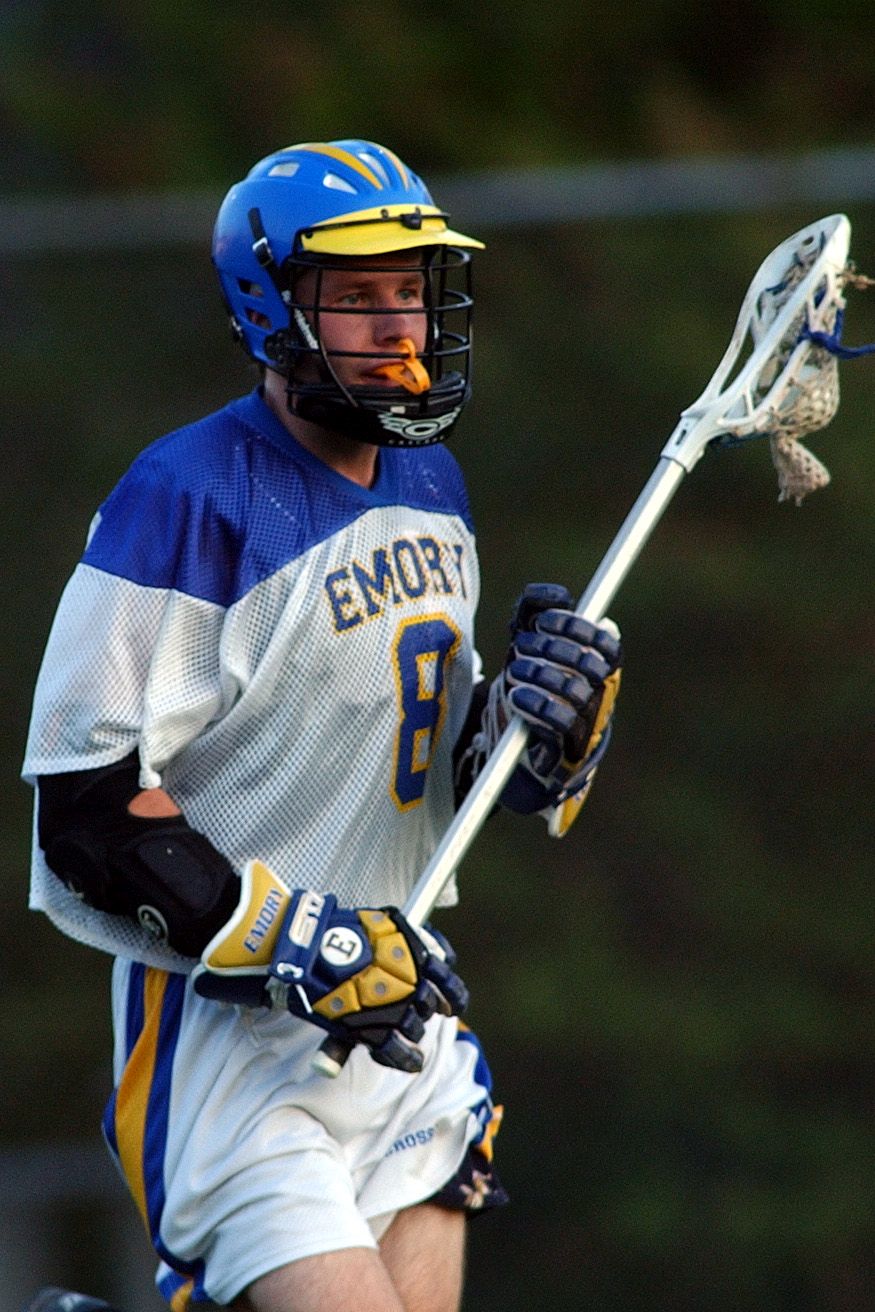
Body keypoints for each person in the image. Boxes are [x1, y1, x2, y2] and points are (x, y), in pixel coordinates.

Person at [22, 139, 623, 1312]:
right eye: (356, 296)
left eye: (409, 289)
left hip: (398, 1023)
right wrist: (297, 940)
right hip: (236, 1051)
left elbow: (429, 768)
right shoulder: (185, 497)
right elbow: (85, 810)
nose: (398, 324)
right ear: (271, 307)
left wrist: (540, 732)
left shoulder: (432, 482)